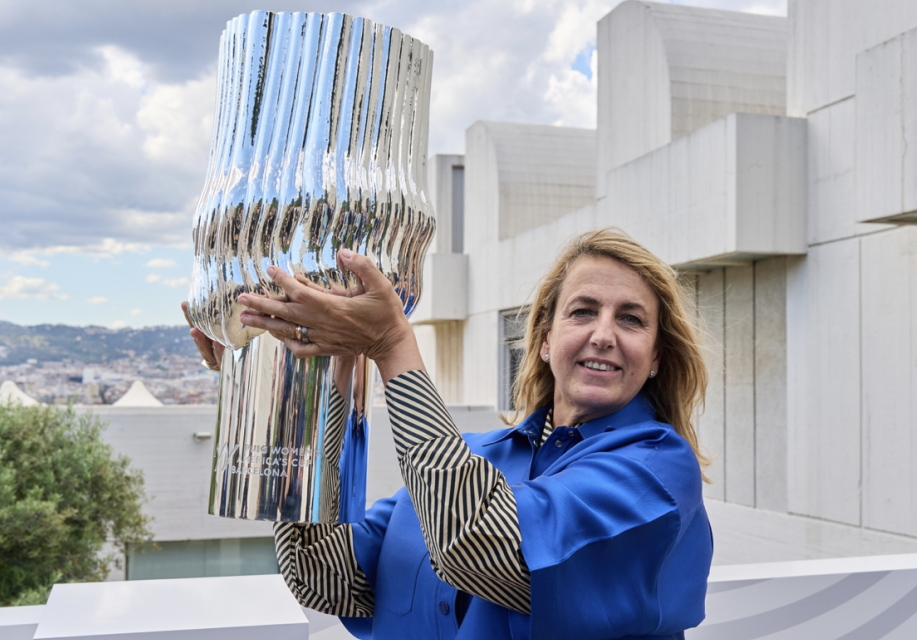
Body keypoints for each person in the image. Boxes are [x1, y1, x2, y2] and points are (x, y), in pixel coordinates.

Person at [188, 228, 713, 639]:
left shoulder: (658, 471)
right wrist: (285, 378)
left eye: (630, 319)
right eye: (582, 311)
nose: (603, 334)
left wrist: (393, 345)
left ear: (655, 359)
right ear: (547, 341)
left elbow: (480, 544)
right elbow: (326, 578)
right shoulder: (471, 457)